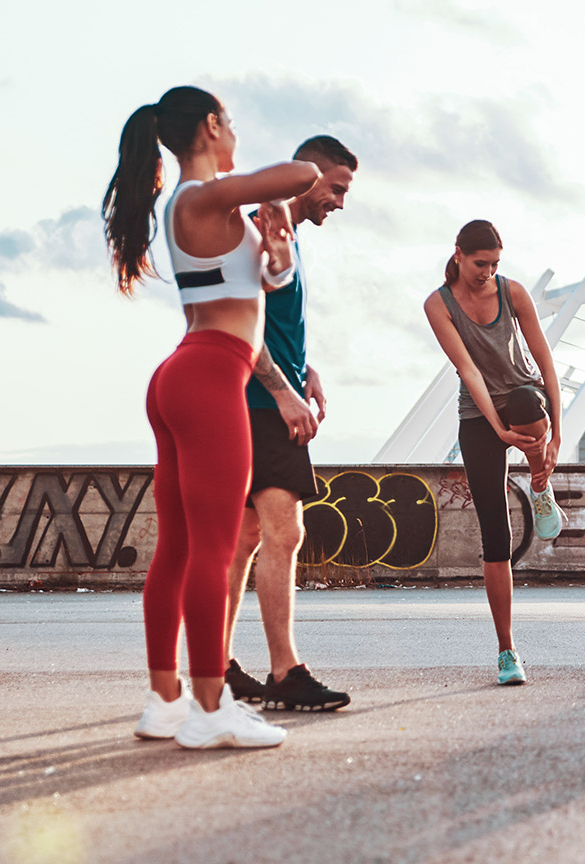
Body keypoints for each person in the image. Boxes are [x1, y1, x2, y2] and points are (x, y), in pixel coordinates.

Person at [103, 86, 319, 747]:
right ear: (211, 125)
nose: (236, 135)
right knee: (212, 548)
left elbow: (261, 286)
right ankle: (207, 708)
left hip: (188, 371)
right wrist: (271, 197)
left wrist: (275, 248)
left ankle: (165, 701)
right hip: (208, 377)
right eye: (229, 123)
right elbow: (304, 173)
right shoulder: (202, 195)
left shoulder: (199, 208)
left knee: (177, 549)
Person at [220, 136, 358, 712]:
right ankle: (284, 672)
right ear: (308, 174)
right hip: (257, 404)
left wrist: (307, 371)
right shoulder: (257, 233)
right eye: (337, 188)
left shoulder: (288, 237)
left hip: (265, 399)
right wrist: (282, 394)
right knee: (285, 533)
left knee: (248, 538)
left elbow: (271, 325)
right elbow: (235, 327)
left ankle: (217, 666)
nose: (341, 202)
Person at [423, 220, 564, 685]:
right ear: (459, 254)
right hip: (478, 411)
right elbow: (468, 370)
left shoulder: (513, 293)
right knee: (495, 534)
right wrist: (498, 431)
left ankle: (541, 482)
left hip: (526, 397)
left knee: (525, 399)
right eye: (480, 263)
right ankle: (507, 650)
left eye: (495, 264)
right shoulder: (438, 305)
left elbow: (544, 361)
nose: (488, 272)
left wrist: (556, 435)